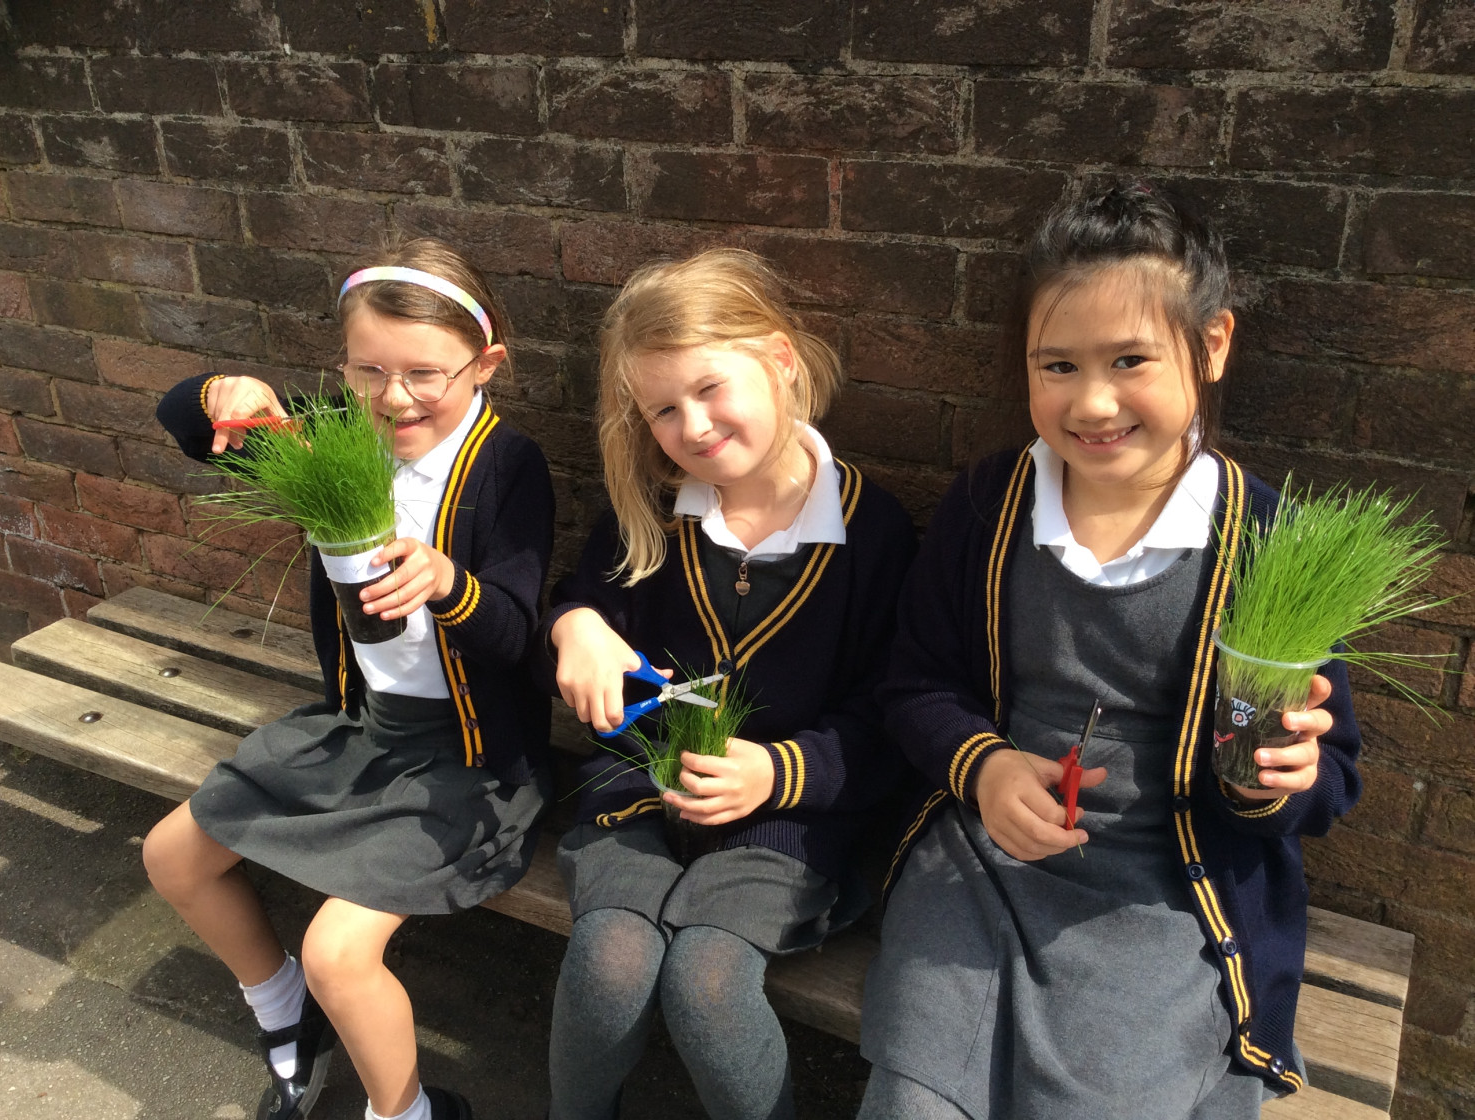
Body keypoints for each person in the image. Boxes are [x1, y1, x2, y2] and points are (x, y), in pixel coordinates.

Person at [857, 184, 1363, 1120]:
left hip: (1165, 894)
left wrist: (1281, 780)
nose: (1092, 403)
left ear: (1211, 345)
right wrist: (984, 767)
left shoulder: (1268, 543)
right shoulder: (989, 505)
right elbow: (915, 682)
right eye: (1057, 366)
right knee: (913, 1096)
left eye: (1131, 359)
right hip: (981, 866)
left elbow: (1333, 772)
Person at [144, 238, 555, 1120]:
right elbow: (183, 422)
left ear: (485, 366)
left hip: (471, 763)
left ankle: (405, 1112)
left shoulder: (506, 466)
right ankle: (282, 1009)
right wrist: (222, 393)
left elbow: (519, 632)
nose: (394, 397)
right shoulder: (331, 433)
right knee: (171, 857)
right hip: (363, 731)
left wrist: (448, 584)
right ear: (344, 367)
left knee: (339, 953)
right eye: (369, 370)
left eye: (425, 373)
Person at [541, 248, 916, 1120]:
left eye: (711, 389)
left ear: (780, 361)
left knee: (708, 981)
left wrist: (779, 772)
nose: (695, 426)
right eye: (664, 410)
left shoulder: (874, 532)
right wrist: (575, 628)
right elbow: (578, 609)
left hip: (786, 822)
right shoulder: (648, 511)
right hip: (638, 792)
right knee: (610, 959)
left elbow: (892, 717)